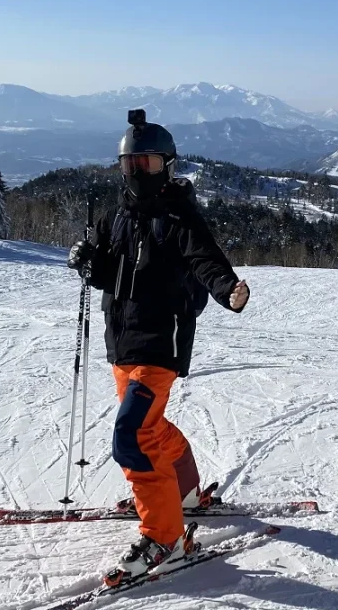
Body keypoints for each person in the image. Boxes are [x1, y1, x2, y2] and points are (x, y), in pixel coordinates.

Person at [67, 110, 250, 587]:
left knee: (132, 436)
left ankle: (164, 535)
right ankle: (183, 490)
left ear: (167, 166)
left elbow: (205, 259)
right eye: (130, 164)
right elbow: (110, 268)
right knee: (149, 427)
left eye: (146, 164)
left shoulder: (178, 218)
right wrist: (86, 260)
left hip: (160, 344)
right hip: (122, 342)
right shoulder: (115, 217)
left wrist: (227, 287)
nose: (136, 173)